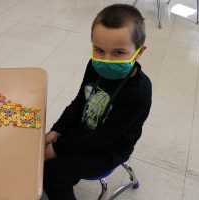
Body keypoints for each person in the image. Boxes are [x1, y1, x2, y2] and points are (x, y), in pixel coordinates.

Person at [43, 4, 152, 200]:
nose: (106, 60)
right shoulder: (95, 66)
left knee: (52, 173)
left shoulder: (138, 92)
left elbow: (104, 137)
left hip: (109, 148)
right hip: (86, 127)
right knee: (44, 154)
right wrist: (56, 130)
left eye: (118, 52)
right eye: (99, 49)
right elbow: (79, 102)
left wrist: (58, 150)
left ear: (139, 51)